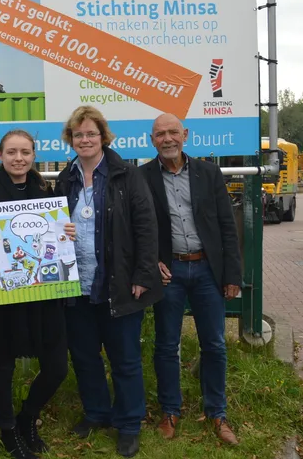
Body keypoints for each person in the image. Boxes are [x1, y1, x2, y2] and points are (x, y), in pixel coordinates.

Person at [54, 106, 161, 458]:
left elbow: (146, 228)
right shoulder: (64, 179)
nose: (85, 140)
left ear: (103, 137)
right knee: (84, 357)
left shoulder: (126, 175)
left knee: (125, 359)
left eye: (91, 134)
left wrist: (143, 275)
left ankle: (129, 423)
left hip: (118, 285)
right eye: (78, 134)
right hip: (76, 286)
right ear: (70, 140)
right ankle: (97, 413)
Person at [140, 113, 242, 445]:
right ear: (151, 140)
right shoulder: (141, 177)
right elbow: (136, 228)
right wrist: (151, 262)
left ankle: (217, 413)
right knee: (166, 345)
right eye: (160, 134)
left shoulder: (208, 173)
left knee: (214, 344)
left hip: (207, 271)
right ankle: (170, 411)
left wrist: (231, 274)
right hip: (169, 273)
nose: (167, 139)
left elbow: (228, 226)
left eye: (173, 132)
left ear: (185, 135)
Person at [0, 130, 71, 459]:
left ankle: (28, 417)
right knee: (2, 365)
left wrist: (66, 230)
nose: (18, 158)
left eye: (25, 152)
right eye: (11, 152)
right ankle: (9, 431)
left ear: (33, 156)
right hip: (1, 300)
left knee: (57, 367)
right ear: (0, 156)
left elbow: (57, 242)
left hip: (44, 293)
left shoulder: (47, 191)